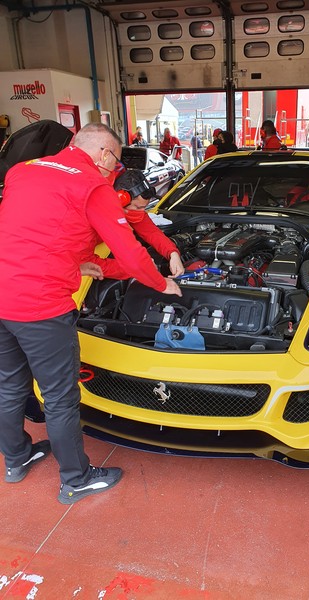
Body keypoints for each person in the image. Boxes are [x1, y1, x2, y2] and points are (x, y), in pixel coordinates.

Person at [0, 123, 182, 505]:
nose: (115, 167)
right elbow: (129, 251)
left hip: (4, 298)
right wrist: (161, 283)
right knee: (60, 398)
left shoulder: (23, 170)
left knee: (10, 387)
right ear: (103, 153)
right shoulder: (92, 186)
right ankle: (76, 480)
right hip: (42, 308)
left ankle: (16, 459)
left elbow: (34, 234)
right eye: (115, 159)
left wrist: (77, 263)